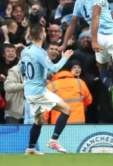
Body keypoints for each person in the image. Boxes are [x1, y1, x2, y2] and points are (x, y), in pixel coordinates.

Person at [20, 24, 73, 155]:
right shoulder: (40, 52)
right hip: (38, 92)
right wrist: (65, 57)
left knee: (39, 120)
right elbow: (53, 69)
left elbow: (22, 70)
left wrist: (38, 77)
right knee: (66, 109)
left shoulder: (24, 51)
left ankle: (31, 149)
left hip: (29, 92)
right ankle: (53, 140)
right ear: (41, 35)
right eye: (44, 32)